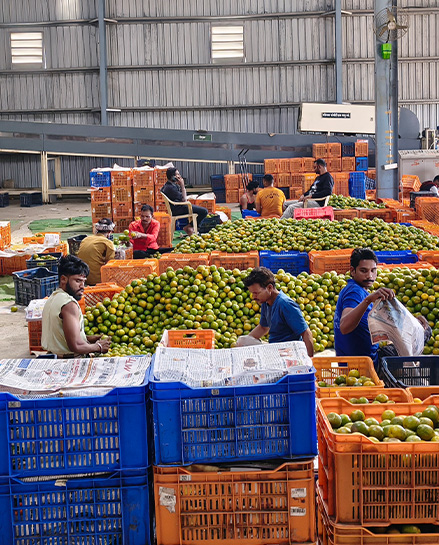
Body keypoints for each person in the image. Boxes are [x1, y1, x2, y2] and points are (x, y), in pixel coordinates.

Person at [41, 255, 111, 358]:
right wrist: (98, 347)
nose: (82, 286)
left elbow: (62, 336)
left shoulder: (53, 297)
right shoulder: (69, 304)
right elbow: (76, 345)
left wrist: (89, 338)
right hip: (69, 360)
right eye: (78, 281)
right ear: (63, 279)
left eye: (84, 281)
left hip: (53, 356)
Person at [334, 248, 394, 366]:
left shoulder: (357, 289)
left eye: (373, 270)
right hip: (362, 364)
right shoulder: (354, 292)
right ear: (352, 271)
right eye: (364, 271)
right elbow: (344, 327)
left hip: (364, 358)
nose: (369, 276)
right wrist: (368, 300)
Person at [242, 267, 314, 356]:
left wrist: (310, 360)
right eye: (252, 293)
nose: (253, 297)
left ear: (269, 288)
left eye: (256, 293)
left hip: (289, 352)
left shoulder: (285, 304)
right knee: (242, 341)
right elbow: (263, 327)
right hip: (274, 347)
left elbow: (306, 333)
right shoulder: (265, 302)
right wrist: (245, 343)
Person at [161, 167, 208, 235]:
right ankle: (189, 227)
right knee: (204, 211)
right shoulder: (171, 188)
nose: (179, 176)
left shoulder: (170, 185)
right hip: (178, 209)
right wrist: (182, 185)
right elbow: (184, 200)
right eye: (177, 174)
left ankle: (191, 227)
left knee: (199, 209)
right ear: (172, 176)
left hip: (178, 206)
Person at [77, 218, 115, 285]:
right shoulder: (108, 243)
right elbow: (110, 264)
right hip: (97, 280)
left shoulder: (86, 239)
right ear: (110, 232)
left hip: (82, 278)